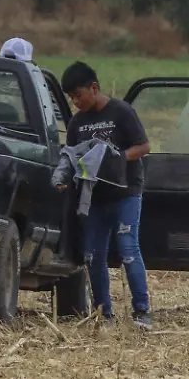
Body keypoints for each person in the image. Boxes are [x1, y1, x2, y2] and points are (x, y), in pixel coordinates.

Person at [57, 61, 153, 329]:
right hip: (95, 198)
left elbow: (143, 146)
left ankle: (142, 310)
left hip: (126, 193)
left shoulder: (121, 112)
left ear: (94, 88)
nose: (76, 102)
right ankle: (103, 313)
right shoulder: (77, 123)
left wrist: (117, 159)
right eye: (71, 98)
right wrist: (65, 179)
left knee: (127, 248)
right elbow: (71, 156)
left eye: (78, 95)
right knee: (93, 255)